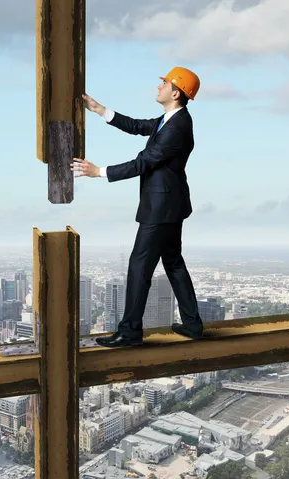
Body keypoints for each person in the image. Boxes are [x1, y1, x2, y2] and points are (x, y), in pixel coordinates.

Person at [70, 66, 204, 348]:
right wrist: (100, 110)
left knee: (139, 267)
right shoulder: (169, 119)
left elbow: (143, 161)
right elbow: (138, 126)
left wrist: (99, 172)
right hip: (170, 205)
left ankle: (130, 332)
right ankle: (192, 324)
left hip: (161, 208)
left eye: (164, 83)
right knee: (173, 262)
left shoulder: (177, 127)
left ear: (176, 92)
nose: (159, 87)